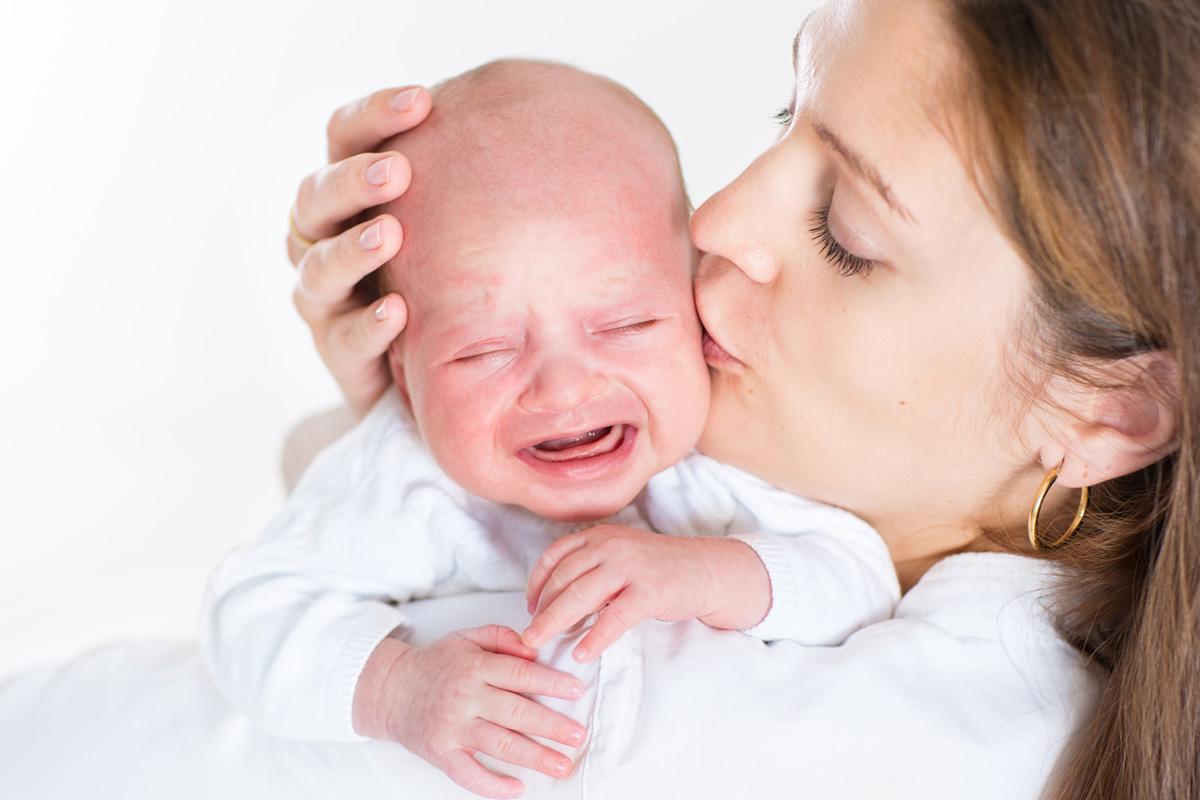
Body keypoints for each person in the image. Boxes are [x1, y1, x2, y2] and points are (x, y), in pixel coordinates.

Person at [0, 1, 1193, 799]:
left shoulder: (812, 732)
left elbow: (180, 730)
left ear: (1101, 411)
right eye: (788, 120)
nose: (714, 221)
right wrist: (408, 408)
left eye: (847, 233)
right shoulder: (846, 504)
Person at [204, 58, 897, 798]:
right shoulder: (402, 476)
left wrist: (707, 571)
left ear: (696, 300)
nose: (565, 387)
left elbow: (861, 579)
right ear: (403, 372)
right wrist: (394, 689)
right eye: (485, 350)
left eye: (628, 323)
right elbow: (249, 612)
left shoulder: (717, 450)